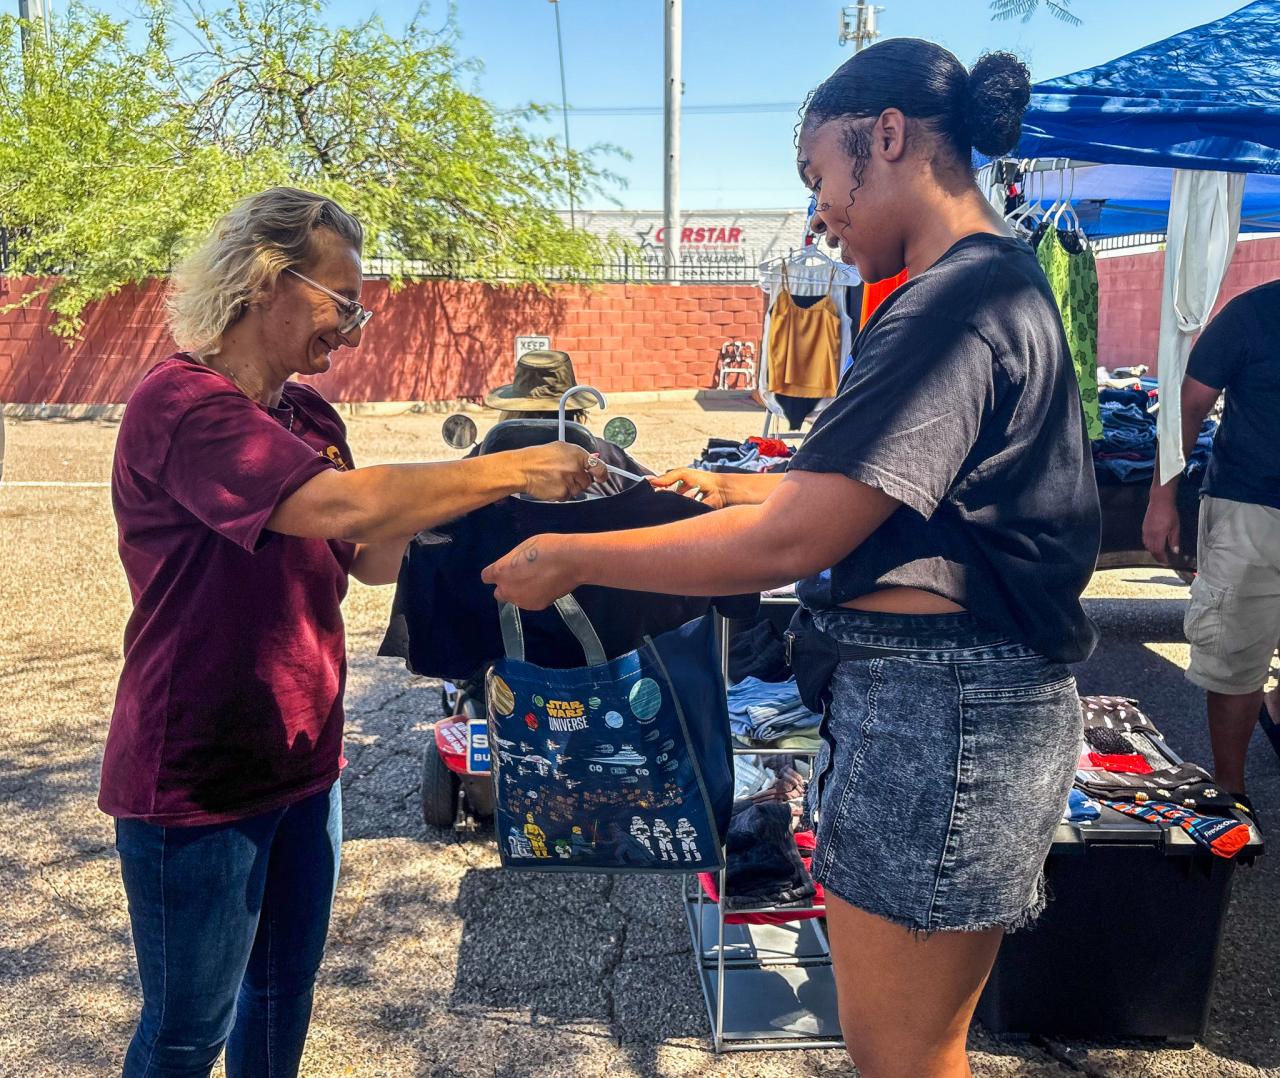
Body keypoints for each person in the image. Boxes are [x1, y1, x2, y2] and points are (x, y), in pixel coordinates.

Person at [482, 40, 1100, 1078]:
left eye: (819, 178)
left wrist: (574, 558)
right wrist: (751, 487)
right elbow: (893, 503)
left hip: (942, 719)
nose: (818, 213)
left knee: (903, 1056)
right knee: (906, 1049)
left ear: (888, 137)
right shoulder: (984, 284)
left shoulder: (950, 301)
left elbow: (791, 541)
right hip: (939, 713)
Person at [100, 186, 604, 1078]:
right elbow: (328, 504)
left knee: (280, 1000)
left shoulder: (309, 417)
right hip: (197, 775)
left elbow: (364, 551)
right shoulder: (183, 404)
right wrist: (504, 463)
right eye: (342, 303)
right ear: (266, 279)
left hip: (305, 759)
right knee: (186, 1030)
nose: (354, 330)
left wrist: (498, 519)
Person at [1143, 278, 1280, 802]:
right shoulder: (1252, 313)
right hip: (1250, 508)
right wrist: (1161, 500)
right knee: (1235, 653)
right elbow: (1188, 406)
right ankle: (1230, 788)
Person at [480, 348, 652, 495]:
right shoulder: (606, 455)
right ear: (577, 409)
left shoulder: (487, 453)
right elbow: (651, 488)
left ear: (513, 408)